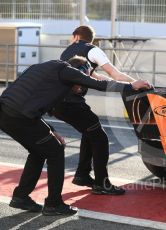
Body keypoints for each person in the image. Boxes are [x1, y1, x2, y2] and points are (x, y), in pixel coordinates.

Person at [0, 56, 151, 216]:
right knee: (55, 151)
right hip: (19, 115)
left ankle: (21, 197)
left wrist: (51, 130)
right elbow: (100, 84)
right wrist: (131, 85)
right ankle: (53, 204)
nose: (83, 84)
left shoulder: (45, 71)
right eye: (84, 77)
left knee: (40, 151)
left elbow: (33, 106)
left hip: (7, 113)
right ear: (79, 71)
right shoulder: (66, 70)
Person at [50, 25, 142, 195]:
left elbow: (95, 77)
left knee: (90, 131)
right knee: (100, 138)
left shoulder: (66, 52)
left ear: (76, 36)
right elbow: (116, 74)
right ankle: (102, 183)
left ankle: (82, 175)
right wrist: (136, 84)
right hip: (72, 103)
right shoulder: (93, 50)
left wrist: (129, 84)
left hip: (57, 102)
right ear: (91, 38)